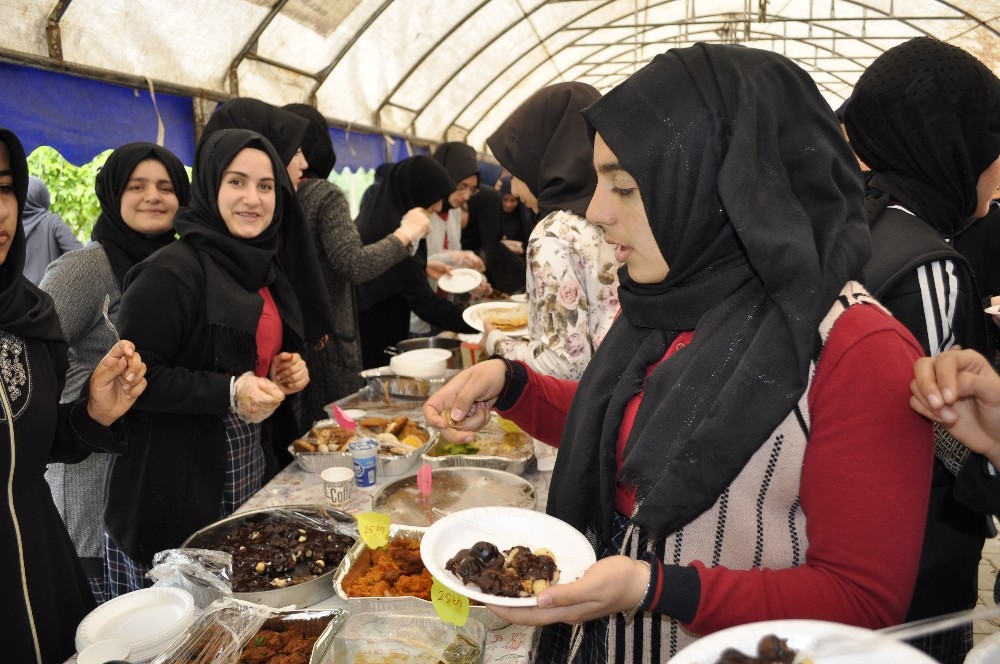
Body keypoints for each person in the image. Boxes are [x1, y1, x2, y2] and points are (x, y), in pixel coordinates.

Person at [424, 43, 934, 662]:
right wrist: (512, 386)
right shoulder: (665, 306)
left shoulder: (857, 348)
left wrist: (659, 587)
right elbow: (631, 437)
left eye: (627, 186)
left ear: (723, 184)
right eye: (599, 180)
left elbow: (863, 599)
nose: (596, 211)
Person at [843, 36, 1000, 662]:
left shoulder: (859, 220)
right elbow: (934, 425)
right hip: (913, 560)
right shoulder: (928, 263)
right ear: (953, 147)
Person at [103, 129, 310, 598]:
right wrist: (230, 391)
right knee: (183, 627)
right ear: (211, 186)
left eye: (265, 185)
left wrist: (282, 371)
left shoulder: (262, 268)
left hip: (244, 463)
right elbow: (135, 378)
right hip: (176, 483)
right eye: (236, 182)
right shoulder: (171, 271)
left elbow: (252, 356)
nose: (252, 199)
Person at [0, 127, 148, 664]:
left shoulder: (26, 313)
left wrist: (93, 411)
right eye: (137, 185)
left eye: (3, 187)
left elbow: (30, 442)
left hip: (41, 562)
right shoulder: (86, 269)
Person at [40, 142, 190, 603]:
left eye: (166, 187)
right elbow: (30, 360)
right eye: (137, 186)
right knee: (108, 615)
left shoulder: (180, 265)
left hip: (155, 470)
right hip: (92, 480)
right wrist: (99, 384)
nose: (153, 197)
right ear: (112, 193)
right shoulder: (87, 268)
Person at [282, 103, 430, 422]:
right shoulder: (324, 195)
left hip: (295, 340)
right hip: (332, 340)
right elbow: (354, 264)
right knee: (338, 431)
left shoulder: (283, 195)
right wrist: (405, 236)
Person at [483, 82, 620, 380]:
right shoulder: (615, 213)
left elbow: (565, 365)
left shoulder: (554, 232)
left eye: (513, 167)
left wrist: (496, 343)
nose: (513, 188)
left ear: (541, 155)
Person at [355, 155, 477, 369]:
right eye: (436, 197)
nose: (439, 207)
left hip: (371, 327)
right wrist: (480, 320)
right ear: (416, 191)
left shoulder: (377, 217)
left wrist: (424, 266)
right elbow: (425, 303)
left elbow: (397, 275)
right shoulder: (401, 232)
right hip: (377, 336)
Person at [22, 176, 81, 285]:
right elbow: (80, 255)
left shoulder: (9, 227)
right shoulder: (52, 221)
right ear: (42, 196)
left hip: (17, 297)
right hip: (49, 295)